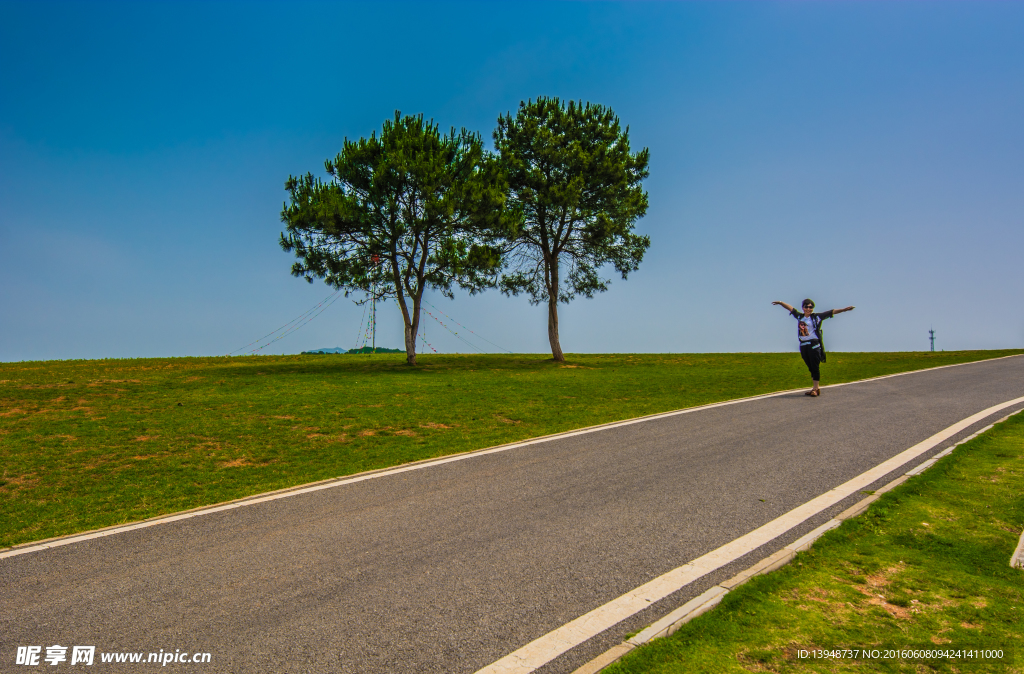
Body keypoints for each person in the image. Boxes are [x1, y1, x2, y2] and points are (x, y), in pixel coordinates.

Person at [772, 299, 855, 397]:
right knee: (810, 367)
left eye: (810, 307)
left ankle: (816, 389)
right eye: (806, 307)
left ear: (813, 308)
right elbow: (790, 308)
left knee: (815, 366)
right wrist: (781, 303)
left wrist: (844, 309)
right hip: (803, 345)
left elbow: (831, 312)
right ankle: (815, 388)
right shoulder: (800, 316)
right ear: (803, 308)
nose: (808, 309)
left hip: (814, 345)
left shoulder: (816, 317)